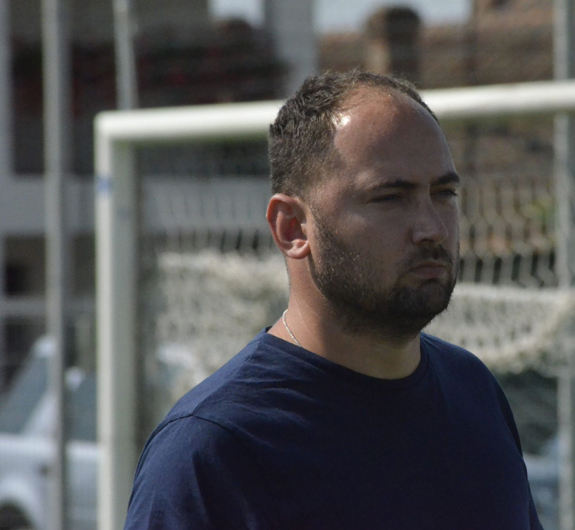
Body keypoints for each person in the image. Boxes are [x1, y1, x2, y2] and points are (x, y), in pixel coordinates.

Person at [124, 70, 543, 530]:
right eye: (390, 198)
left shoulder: (474, 391)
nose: (433, 228)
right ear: (292, 228)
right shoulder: (212, 450)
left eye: (443, 194)